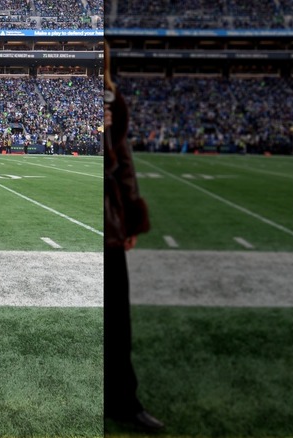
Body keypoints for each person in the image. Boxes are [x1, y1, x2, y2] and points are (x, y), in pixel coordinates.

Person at [103, 40, 163, 432]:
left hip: (107, 220)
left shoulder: (112, 100)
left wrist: (130, 216)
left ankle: (123, 401)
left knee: (116, 319)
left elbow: (123, 162)